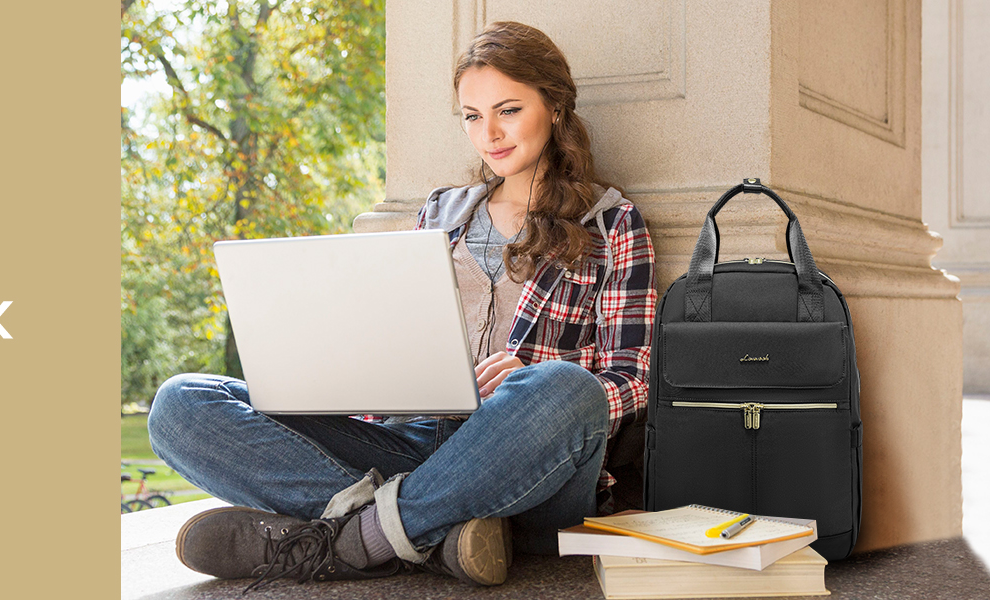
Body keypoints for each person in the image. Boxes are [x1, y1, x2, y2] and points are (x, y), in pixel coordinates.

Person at [147, 21, 656, 591]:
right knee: (180, 405)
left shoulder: (610, 222)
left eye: (508, 110)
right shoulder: (441, 213)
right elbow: (394, 339)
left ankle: (344, 540)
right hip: (414, 444)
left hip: (529, 462)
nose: (488, 133)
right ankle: (437, 538)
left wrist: (534, 377)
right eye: (471, 115)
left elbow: (633, 377)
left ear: (555, 106)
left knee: (566, 390)